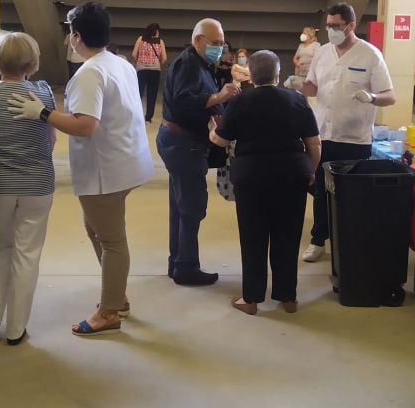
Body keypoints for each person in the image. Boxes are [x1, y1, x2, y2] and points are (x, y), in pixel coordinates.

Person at [10, 2, 155, 335]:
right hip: (127, 160)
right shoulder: (119, 63)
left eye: (68, 34)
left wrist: (42, 113)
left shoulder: (90, 73)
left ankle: (110, 312)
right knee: (95, 229)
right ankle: (116, 294)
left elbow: (85, 125)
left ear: (76, 36)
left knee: (112, 240)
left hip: (109, 168)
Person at [210, 50, 321, 315]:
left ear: (251, 76)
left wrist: (211, 129)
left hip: (252, 176)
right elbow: (314, 143)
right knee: (288, 235)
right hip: (292, 174)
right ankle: (288, 297)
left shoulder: (241, 102)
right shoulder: (297, 100)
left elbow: (221, 140)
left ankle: (251, 299)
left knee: (253, 237)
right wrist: (311, 172)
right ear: (278, 74)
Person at [285, 2, 395, 263]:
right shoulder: (323, 53)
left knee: (351, 194)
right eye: (328, 26)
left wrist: (371, 97)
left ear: (351, 26)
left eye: (336, 26)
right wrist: (298, 85)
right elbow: (313, 88)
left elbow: (390, 96)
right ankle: (317, 239)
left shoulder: (370, 55)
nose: (331, 30)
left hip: (354, 139)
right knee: (321, 192)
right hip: (323, 135)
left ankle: (349, 239)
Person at [0, 31, 56, 346]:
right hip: (38, 184)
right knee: (27, 253)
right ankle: (17, 328)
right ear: (31, 63)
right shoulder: (44, 93)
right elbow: (51, 139)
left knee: (3, 246)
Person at [158, 18, 242, 285]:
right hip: (182, 143)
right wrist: (219, 97)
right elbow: (184, 102)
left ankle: (178, 261)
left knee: (181, 206)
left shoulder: (202, 64)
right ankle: (186, 267)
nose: (220, 48)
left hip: (182, 141)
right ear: (198, 40)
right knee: (191, 207)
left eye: (222, 44)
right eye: (215, 43)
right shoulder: (188, 65)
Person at [132, 23, 167, 123]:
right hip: (155, 71)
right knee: (152, 94)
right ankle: (148, 117)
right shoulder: (160, 42)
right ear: (156, 31)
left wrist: (138, 63)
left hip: (141, 69)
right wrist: (157, 64)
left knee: (138, 93)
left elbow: (134, 54)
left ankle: (136, 115)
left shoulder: (140, 39)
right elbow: (164, 58)